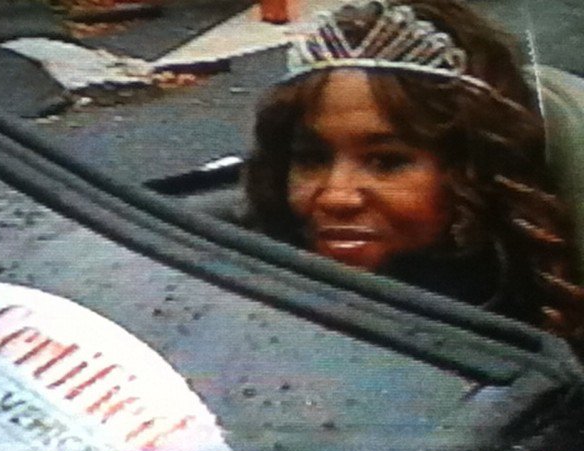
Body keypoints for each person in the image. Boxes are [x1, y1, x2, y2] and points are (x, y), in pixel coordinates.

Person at [245, 0, 583, 352]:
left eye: (387, 162)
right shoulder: (261, 286)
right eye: (311, 158)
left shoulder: (530, 325)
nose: (336, 196)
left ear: (472, 169)